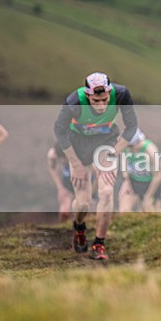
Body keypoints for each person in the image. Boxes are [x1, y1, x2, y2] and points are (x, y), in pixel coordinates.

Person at [54, 72, 138, 261]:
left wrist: (114, 152)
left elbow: (132, 127)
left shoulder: (122, 94)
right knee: (83, 202)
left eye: (105, 100)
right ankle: (79, 226)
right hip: (79, 146)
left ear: (109, 93)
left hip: (106, 143)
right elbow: (59, 131)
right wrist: (74, 164)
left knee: (107, 192)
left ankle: (99, 243)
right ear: (88, 95)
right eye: (95, 101)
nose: (101, 106)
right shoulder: (74, 101)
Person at [118, 129, 161, 212]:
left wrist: (148, 196)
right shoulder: (125, 148)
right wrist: (126, 181)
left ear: (138, 142)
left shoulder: (151, 151)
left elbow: (158, 176)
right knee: (124, 210)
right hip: (133, 181)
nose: (129, 149)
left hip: (150, 184)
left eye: (130, 146)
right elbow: (124, 168)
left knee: (149, 212)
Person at [46, 141, 75, 222]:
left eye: (65, 159)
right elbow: (52, 168)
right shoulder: (52, 154)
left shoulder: (81, 154)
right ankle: (61, 228)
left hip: (85, 181)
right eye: (61, 159)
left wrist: (90, 192)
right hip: (68, 181)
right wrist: (60, 188)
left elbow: (96, 175)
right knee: (64, 210)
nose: (62, 162)